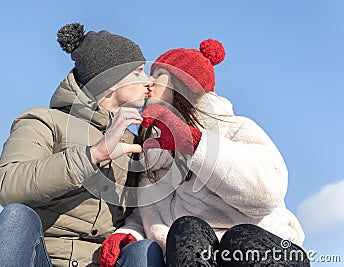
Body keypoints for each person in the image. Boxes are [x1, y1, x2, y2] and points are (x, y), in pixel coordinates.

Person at [100, 39, 310, 266]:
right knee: (187, 229)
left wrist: (195, 144)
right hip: (192, 253)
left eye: (158, 75)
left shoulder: (235, 128)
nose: (149, 83)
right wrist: (129, 234)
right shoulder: (153, 152)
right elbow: (148, 214)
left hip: (253, 248)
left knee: (235, 238)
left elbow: (266, 192)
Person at [0, 22, 165, 267]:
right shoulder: (44, 121)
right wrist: (95, 154)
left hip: (103, 261)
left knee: (144, 249)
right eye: (137, 73)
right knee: (16, 217)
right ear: (110, 81)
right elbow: (6, 185)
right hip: (43, 258)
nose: (147, 82)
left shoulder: (134, 143)